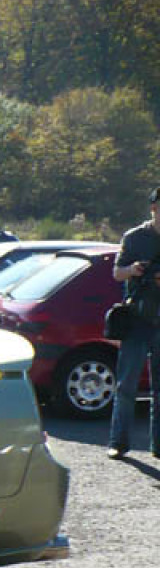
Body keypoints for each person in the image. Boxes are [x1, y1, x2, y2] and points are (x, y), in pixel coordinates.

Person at [107, 186, 160, 459]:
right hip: (137, 320)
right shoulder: (135, 237)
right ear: (153, 208)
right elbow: (117, 273)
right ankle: (119, 442)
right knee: (127, 385)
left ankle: (158, 446)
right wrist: (133, 270)